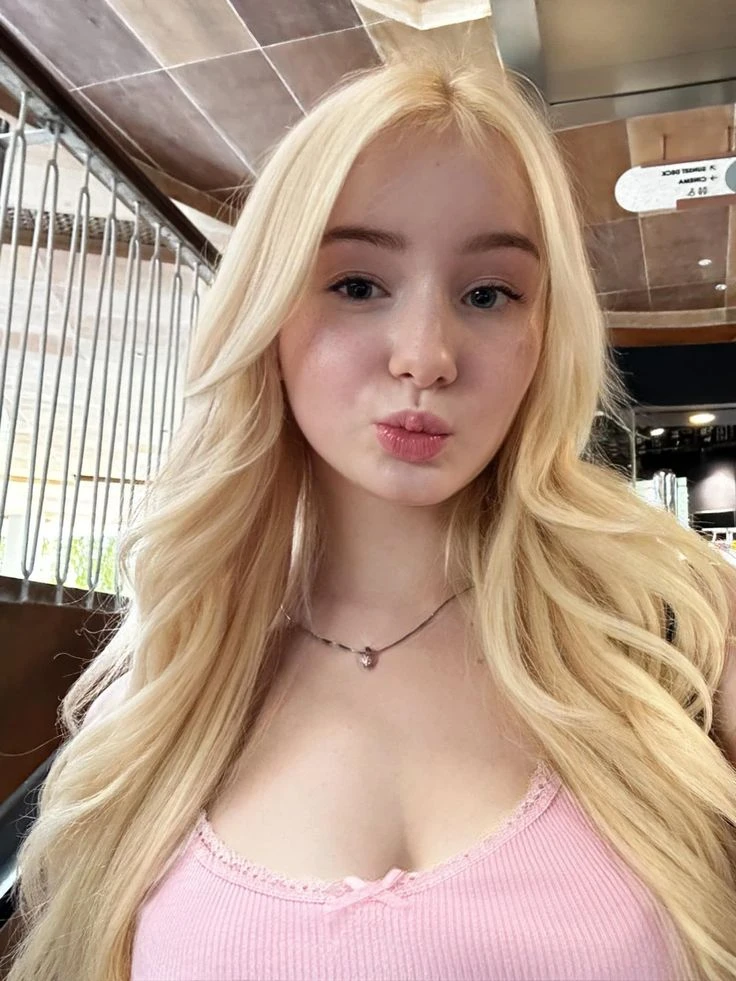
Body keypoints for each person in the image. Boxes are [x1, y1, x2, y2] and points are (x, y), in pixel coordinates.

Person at [4, 48, 736, 981]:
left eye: (488, 293)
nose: (425, 355)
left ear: (542, 334)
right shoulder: (174, 684)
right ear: (269, 311)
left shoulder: (674, 633)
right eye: (357, 285)